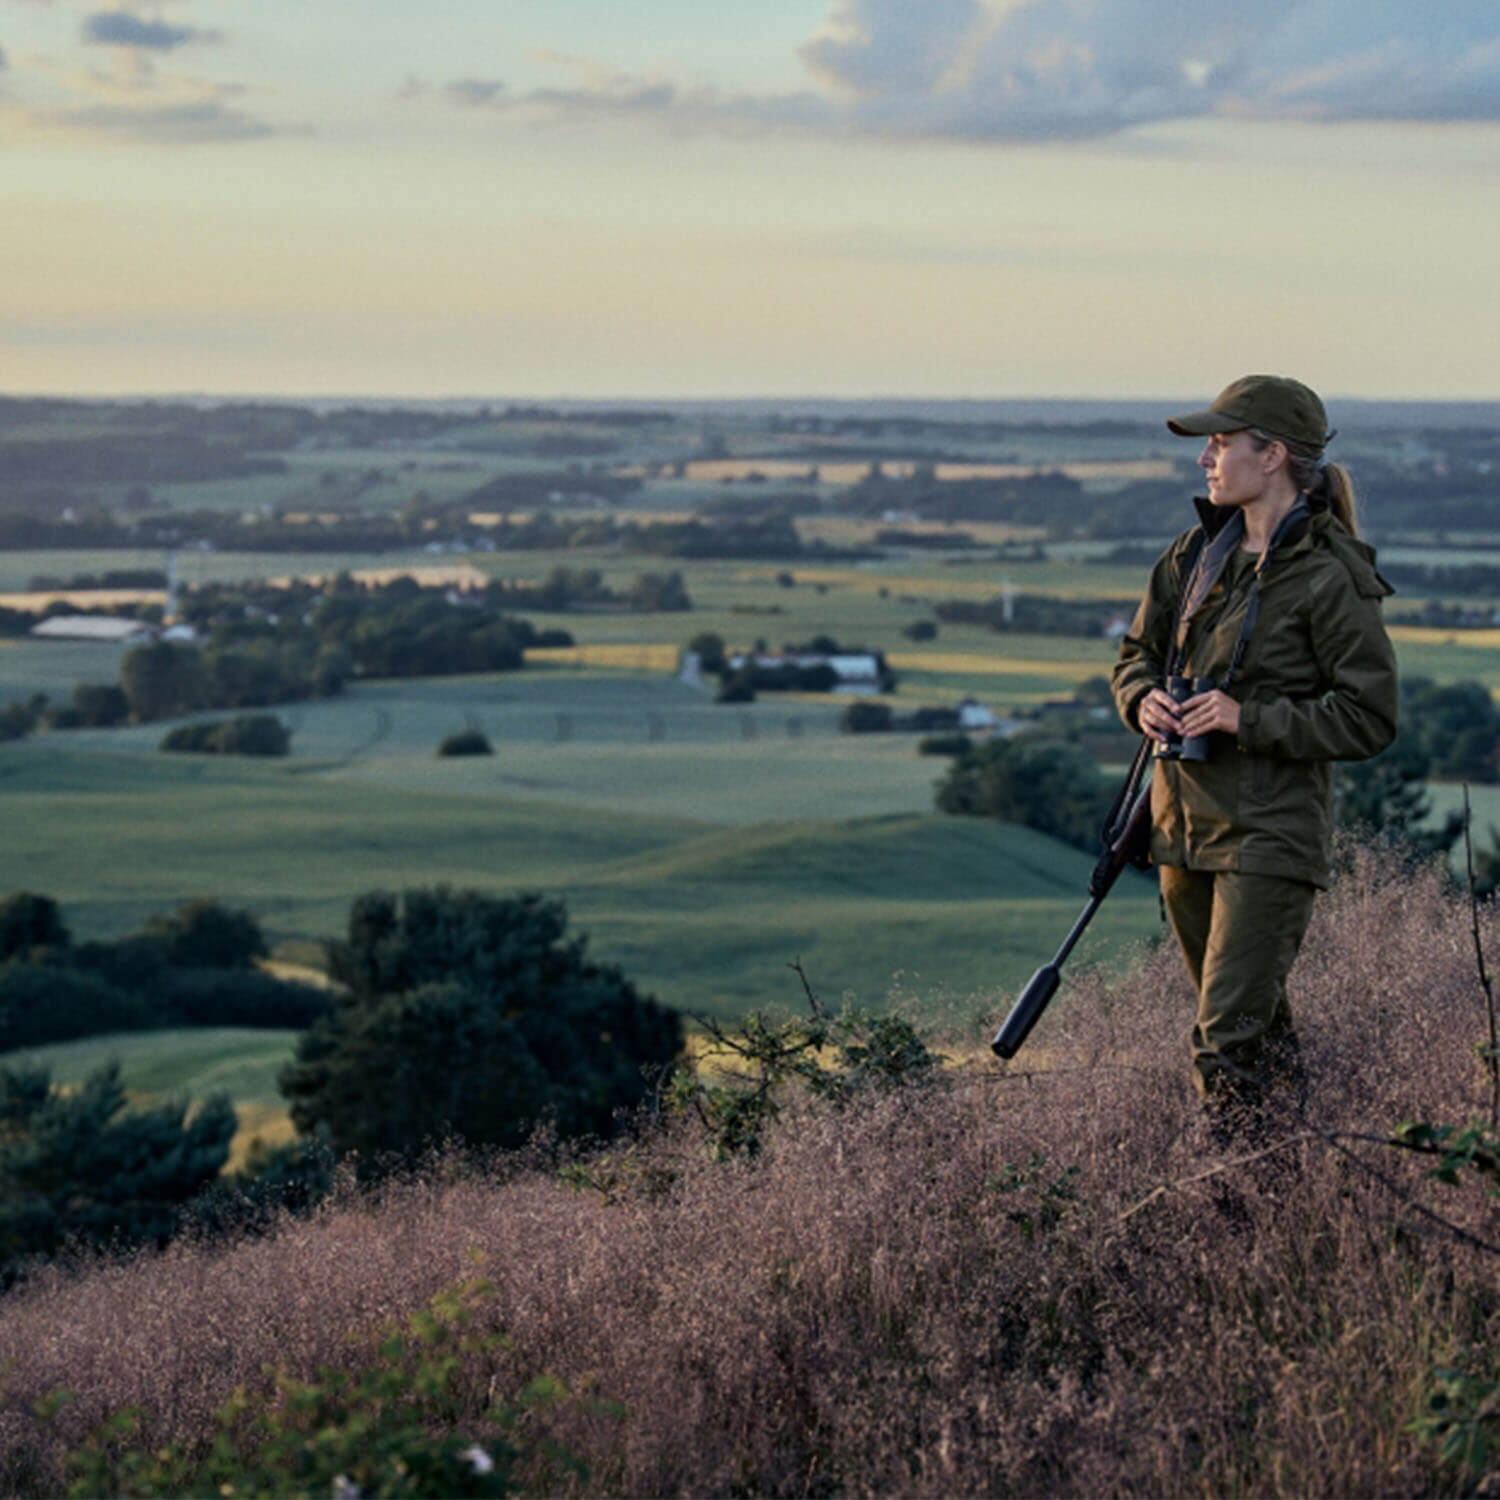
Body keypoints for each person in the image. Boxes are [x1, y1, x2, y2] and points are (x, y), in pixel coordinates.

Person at [1111, 374, 1398, 1135]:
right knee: (1256, 1032)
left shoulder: (1330, 575)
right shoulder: (1197, 555)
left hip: (1270, 836)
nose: (1207, 455)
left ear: (1272, 455)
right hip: (1182, 828)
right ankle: (1297, 1184)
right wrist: (1143, 699)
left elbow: (1368, 718)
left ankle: (1233, 1218)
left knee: (1223, 1043)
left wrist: (1248, 717)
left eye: (1222, 440)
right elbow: (1135, 654)